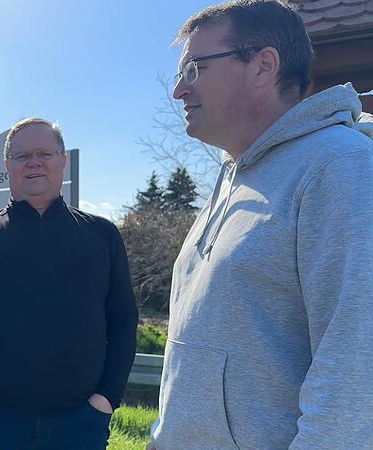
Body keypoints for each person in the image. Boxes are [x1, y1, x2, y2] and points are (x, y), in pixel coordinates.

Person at [149, 1, 373, 449]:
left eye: (195, 69)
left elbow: (355, 372)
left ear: (264, 65)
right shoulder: (233, 176)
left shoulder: (340, 167)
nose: (179, 91)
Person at [0, 117, 138, 449]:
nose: (34, 162)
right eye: (22, 155)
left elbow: (124, 319)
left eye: (44, 153)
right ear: (7, 165)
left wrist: (107, 397)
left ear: (63, 160)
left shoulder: (101, 235)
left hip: (81, 425)